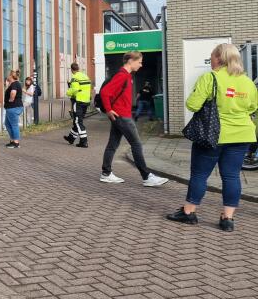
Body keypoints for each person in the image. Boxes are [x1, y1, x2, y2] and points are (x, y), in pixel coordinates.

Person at [166, 44, 258, 231]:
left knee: (200, 174)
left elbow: (192, 104)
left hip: (212, 135)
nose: (211, 61)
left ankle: (189, 213)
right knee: (232, 176)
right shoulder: (247, 81)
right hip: (242, 134)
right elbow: (252, 107)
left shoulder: (210, 78)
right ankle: (228, 219)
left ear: (219, 58)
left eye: (212, 57)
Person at [99, 51, 168, 186]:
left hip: (120, 115)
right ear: (130, 61)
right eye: (139, 62)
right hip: (122, 116)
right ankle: (146, 176)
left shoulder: (127, 76)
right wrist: (108, 110)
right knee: (136, 144)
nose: (141, 65)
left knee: (112, 144)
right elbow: (105, 92)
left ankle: (106, 173)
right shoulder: (122, 76)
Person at [64, 62, 92, 148]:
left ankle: (84, 141)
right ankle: (71, 138)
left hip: (78, 101)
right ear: (78, 68)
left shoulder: (74, 77)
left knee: (78, 121)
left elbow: (75, 89)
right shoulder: (85, 76)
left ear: (72, 70)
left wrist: (68, 92)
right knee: (78, 119)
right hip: (86, 100)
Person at [4, 70, 23, 148]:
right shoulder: (13, 84)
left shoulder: (14, 84)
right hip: (12, 107)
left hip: (13, 107)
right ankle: (12, 140)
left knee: (14, 125)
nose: (7, 76)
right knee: (7, 124)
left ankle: (16, 142)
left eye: (8, 75)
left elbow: (13, 93)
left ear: (11, 76)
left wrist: (11, 99)